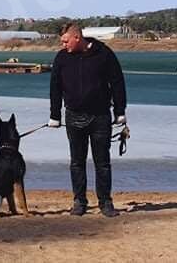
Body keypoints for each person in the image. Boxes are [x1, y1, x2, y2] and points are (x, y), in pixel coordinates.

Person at [48, 22, 127, 217]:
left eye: (66, 41)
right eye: (62, 42)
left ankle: (105, 202)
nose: (63, 45)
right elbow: (55, 88)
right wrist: (54, 115)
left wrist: (120, 111)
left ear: (77, 37)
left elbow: (117, 82)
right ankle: (79, 202)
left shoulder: (104, 54)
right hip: (73, 116)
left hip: (100, 116)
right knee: (77, 162)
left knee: (102, 162)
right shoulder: (61, 58)